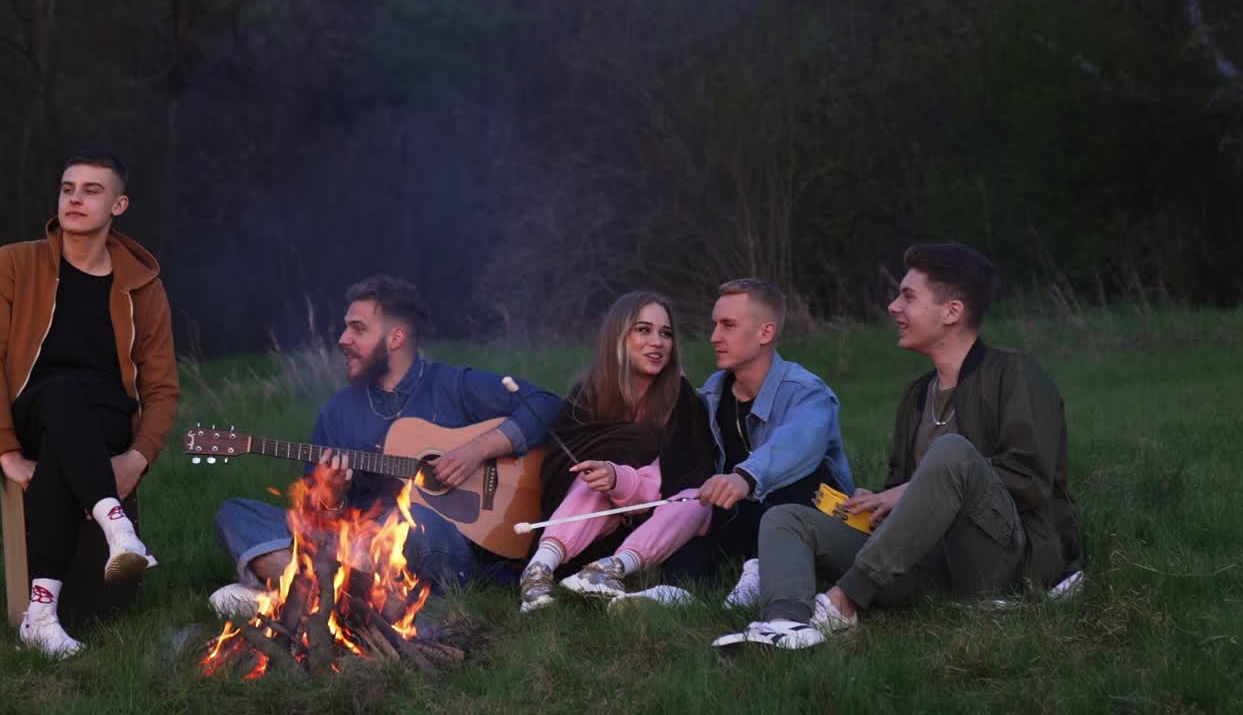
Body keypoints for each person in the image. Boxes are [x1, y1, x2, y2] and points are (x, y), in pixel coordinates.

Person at [713, 243, 1083, 650]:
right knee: (786, 517)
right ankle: (787, 626)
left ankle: (843, 602)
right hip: (925, 558)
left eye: (907, 297)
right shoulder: (917, 394)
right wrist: (875, 502)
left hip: (1004, 558)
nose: (893, 307)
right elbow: (905, 487)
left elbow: (1028, 480)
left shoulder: (1016, 375)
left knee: (953, 452)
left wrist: (909, 491)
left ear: (952, 312)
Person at [210, 274, 560, 616]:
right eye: (345, 328)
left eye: (358, 329)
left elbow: (545, 405)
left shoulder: (453, 385)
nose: (343, 339)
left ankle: (304, 595)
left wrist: (476, 450)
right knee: (237, 514)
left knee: (413, 521)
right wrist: (330, 499)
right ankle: (351, 596)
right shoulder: (336, 414)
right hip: (357, 544)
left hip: (436, 544)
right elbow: (316, 520)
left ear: (396, 337)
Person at [558, 277, 855, 602]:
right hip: (741, 514)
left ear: (765, 333)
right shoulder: (713, 392)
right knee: (694, 500)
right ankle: (676, 589)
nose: (714, 337)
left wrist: (745, 477)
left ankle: (761, 572)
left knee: (791, 482)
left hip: (807, 514)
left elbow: (799, 444)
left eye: (728, 325)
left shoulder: (806, 391)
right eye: (714, 325)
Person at [0, 152, 180, 657]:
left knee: (106, 610)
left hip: (103, 428)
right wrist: (6, 451)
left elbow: (163, 388)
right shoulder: (14, 264)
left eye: (92, 190)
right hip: (33, 411)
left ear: (119, 204)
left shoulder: (143, 286)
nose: (75, 198)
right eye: (68, 187)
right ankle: (117, 526)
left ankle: (40, 615)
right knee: (62, 392)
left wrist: (138, 456)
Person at [518, 291, 716, 611]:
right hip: (587, 525)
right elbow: (557, 467)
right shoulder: (589, 393)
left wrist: (619, 479)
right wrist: (606, 476)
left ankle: (609, 570)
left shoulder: (682, 401)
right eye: (644, 330)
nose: (657, 342)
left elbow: (674, 478)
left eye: (665, 334)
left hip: (657, 519)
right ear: (618, 336)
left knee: (697, 498)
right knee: (589, 480)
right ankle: (538, 570)